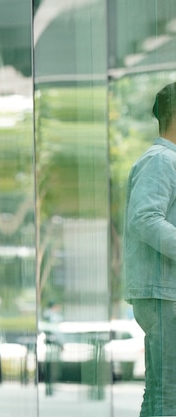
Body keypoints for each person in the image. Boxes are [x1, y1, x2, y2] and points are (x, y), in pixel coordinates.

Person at [124, 81, 176, 417]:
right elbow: (144, 218)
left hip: (162, 293)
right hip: (161, 296)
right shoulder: (162, 160)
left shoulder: (165, 160)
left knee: (159, 392)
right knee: (167, 396)